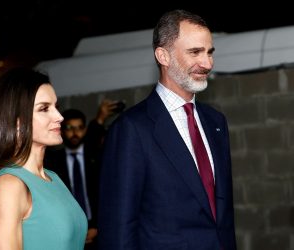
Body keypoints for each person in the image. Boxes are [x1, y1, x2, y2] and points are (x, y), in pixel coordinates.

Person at [98, 9, 237, 250]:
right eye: (195, 52)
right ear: (163, 56)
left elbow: (222, 217)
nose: (207, 63)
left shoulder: (216, 123)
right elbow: (118, 229)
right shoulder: (132, 129)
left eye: (209, 52)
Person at [0, 67, 87, 250]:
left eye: (56, 107)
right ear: (17, 122)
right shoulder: (10, 184)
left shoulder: (53, 178)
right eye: (44, 109)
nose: (59, 117)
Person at [44, 99, 120, 250]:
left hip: (98, 228)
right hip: (66, 231)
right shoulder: (52, 162)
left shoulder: (97, 156)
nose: (74, 133)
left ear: (85, 130)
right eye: (69, 128)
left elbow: (109, 194)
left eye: (79, 128)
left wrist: (97, 226)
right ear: (62, 130)